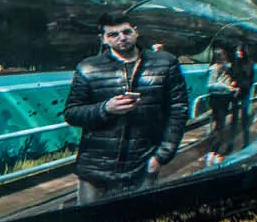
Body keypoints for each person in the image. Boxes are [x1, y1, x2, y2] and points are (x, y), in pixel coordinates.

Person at [63, 13, 189, 203]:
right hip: (94, 170)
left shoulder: (165, 63)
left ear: (136, 32)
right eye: (113, 35)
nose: (122, 37)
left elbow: (178, 110)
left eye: (126, 31)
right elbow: (72, 113)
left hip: (143, 165)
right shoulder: (88, 67)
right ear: (103, 39)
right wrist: (106, 109)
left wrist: (162, 156)